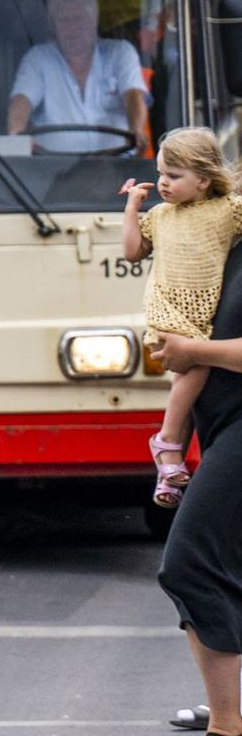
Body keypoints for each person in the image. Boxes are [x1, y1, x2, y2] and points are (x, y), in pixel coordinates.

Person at [150, 236, 242, 736]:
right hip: (220, 425)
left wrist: (195, 353)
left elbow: (200, 344)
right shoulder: (222, 239)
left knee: (189, 565)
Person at [122, 128, 242, 507]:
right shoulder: (159, 216)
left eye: (174, 177)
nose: (163, 184)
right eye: (160, 175)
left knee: (192, 380)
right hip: (168, 306)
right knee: (196, 368)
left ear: (204, 180)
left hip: (204, 308)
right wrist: (131, 210)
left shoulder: (225, 210)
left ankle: (168, 478)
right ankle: (168, 443)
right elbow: (132, 251)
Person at [6, 0, 149, 154]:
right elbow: (21, 100)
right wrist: (16, 134)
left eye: (79, 19)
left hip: (116, 164)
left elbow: (133, 96)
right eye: (64, 20)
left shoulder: (120, 52)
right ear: (52, 26)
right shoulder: (38, 58)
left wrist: (137, 130)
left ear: (94, 21)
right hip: (52, 170)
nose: (72, 27)